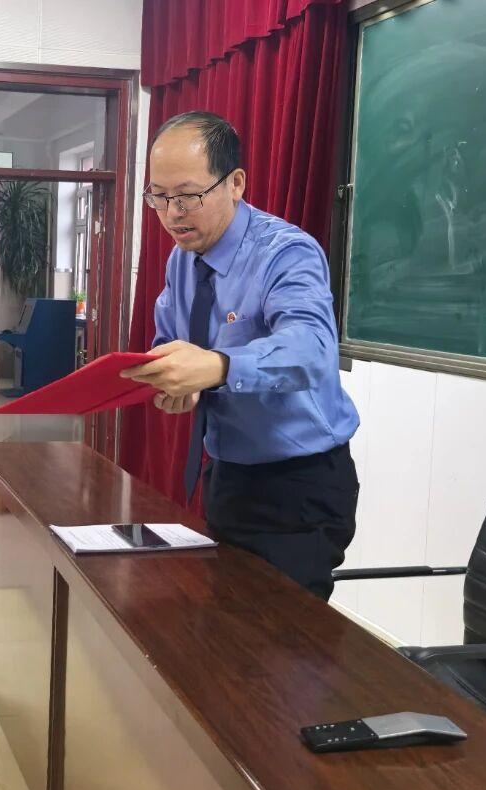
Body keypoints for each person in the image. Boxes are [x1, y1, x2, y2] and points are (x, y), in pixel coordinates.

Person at [122, 111, 360, 601]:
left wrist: (217, 367)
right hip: (228, 474)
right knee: (222, 621)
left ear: (235, 183)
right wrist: (178, 383)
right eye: (158, 197)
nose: (172, 214)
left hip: (300, 484)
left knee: (280, 635)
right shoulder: (182, 259)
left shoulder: (286, 253)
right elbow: (172, 340)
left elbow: (312, 349)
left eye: (187, 196)